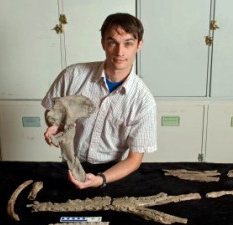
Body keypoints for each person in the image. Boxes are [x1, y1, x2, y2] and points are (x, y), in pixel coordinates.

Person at [42, 13, 157, 189]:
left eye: (128, 43)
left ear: (139, 45)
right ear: (103, 42)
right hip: (70, 165)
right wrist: (56, 125)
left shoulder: (144, 101)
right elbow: (51, 110)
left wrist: (100, 179)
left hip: (111, 173)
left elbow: (134, 159)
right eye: (112, 42)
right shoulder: (73, 75)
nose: (120, 52)